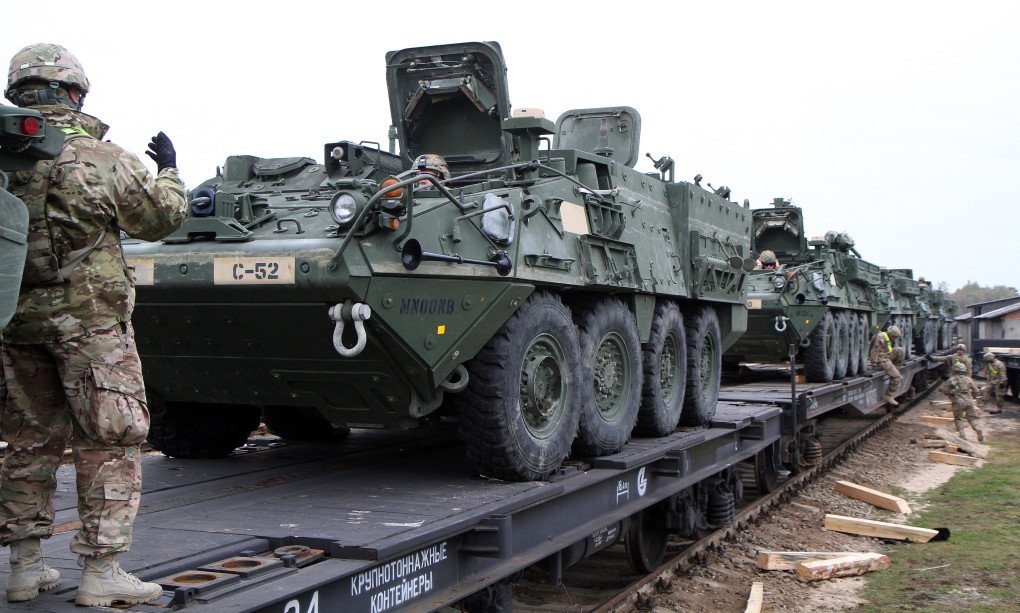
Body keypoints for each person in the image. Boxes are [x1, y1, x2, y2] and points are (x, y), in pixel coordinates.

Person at [0, 43, 186, 606]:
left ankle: (25, 568)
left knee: (27, 441)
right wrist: (172, 171)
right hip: (92, 328)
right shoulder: (100, 157)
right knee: (110, 439)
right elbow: (159, 218)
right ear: (75, 93)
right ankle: (102, 574)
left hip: (15, 322)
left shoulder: (5, 159)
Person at [938, 362, 985, 442]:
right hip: (969, 402)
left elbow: (943, 390)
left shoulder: (951, 380)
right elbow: (976, 391)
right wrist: (973, 395)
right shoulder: (968, 379)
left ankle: (963, 436)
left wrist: (951, 393)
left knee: (958, 419)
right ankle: (978, 429)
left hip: (958, 402)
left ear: (955, 370)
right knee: (972, 418)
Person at [869, 325, 903, 406]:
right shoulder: (881, 338)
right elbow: (874, 350)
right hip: (881, 360)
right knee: (897, 377)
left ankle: (895, 369)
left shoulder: (885, 336)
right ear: (891, 334)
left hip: (886, 355)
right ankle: (888, 396)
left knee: (900, 350)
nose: (894, 339)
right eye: (894, 337)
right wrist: (874, 363)